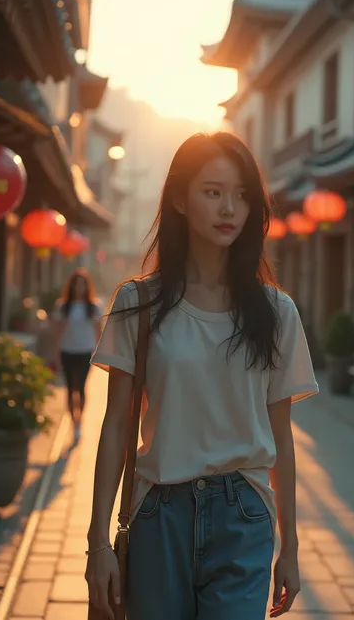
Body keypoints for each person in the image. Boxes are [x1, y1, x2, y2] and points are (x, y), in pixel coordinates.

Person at [85, 132, 318, 619]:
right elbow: (115, 426)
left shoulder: (276, 312)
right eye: (212, 192)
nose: (229, 208)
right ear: (179, 199)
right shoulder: (139, 304)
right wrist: (98, 543)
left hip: (243, 514)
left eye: (241, 194)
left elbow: (281, 434)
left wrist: (290, 547)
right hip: (158, 512)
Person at [53, 268, 102, 440]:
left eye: (82, 284)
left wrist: (99, 353)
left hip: (85, 351)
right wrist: (56, 355)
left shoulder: (93, 307)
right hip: (67, 350)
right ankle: (72, 421)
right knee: (69, 388)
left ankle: (79, 420)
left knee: (80, 387)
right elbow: (57, 333)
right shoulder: (63, 307)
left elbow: (99, 331)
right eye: (76, 284)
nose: (79, 287)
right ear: (72, 286)